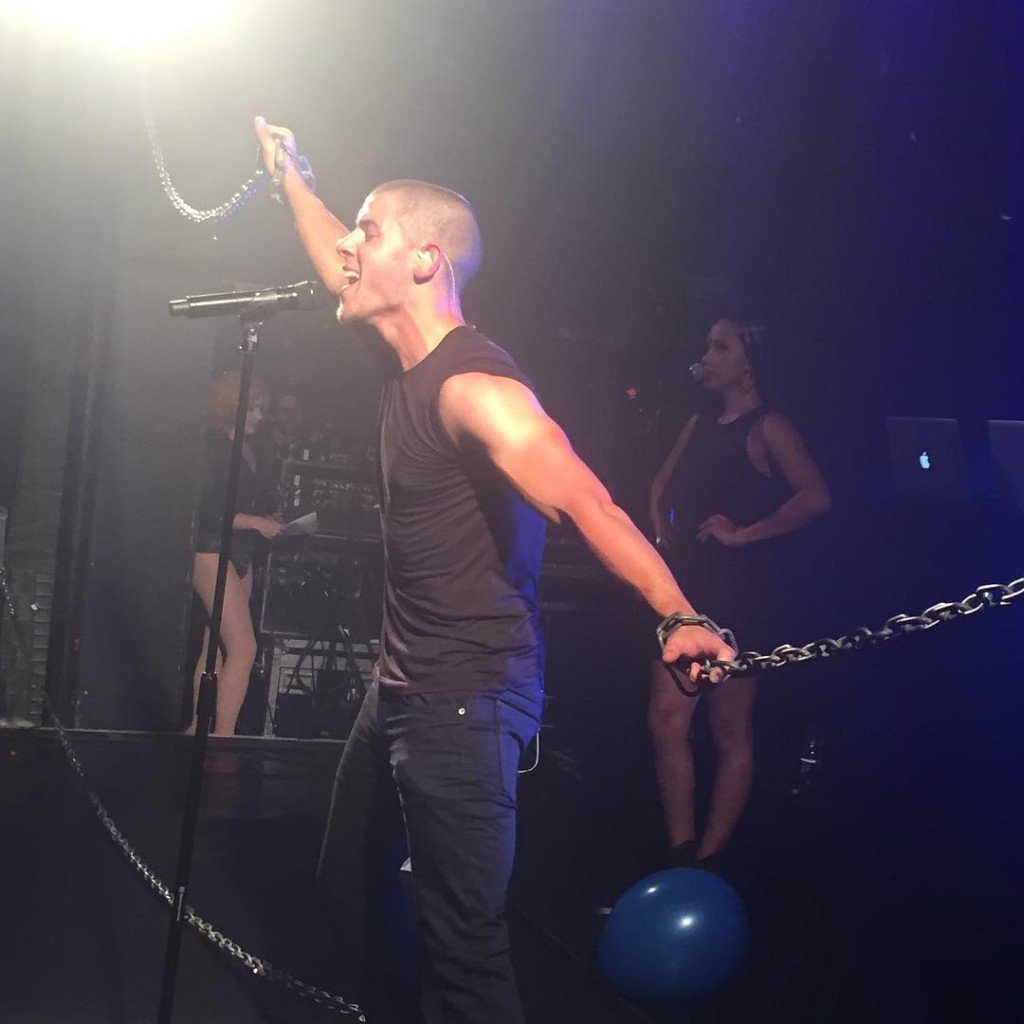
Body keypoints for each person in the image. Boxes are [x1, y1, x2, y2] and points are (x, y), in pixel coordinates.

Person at [253, 116, 735, 1024]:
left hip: (466, 699)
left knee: (465, 954)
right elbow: (332, 259)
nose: (349, 249)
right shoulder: (403, 353)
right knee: (350, 893)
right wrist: (290, 177)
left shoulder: (474, 389)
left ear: (425, 261)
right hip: (402, 688)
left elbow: (588, 503)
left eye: (369, 232)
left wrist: (676, 613)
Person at [648, 316, 832, 871]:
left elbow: (815, 497)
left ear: (748, 365)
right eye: (707, 346)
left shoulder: (770, 425)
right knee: (666, 721)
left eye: (719, 347)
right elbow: (659, 485)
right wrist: (661, 537)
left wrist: (743, 534)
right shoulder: (698, 421)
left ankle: (712, 861)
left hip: (740, 595)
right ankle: (680, 854)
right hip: (686, 592)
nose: (706, 356)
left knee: (728, 731)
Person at [186, 370, 284, 736]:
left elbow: (245, 504)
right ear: (232, 406)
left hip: (242, 552)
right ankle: (222, 738)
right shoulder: (213, 448)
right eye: (253, 408)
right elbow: (209, 512)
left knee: (214, 648)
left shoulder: (248, 448)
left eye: (262, 408)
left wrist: (267, 519)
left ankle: (198, 728)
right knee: (244, 649)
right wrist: (257, 523)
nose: (260, 415)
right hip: (213, 549)